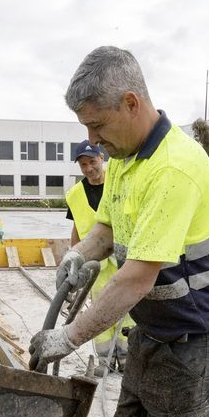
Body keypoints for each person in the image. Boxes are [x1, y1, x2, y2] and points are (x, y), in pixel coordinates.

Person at [29, 46, 209, 417]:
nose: (92, 141)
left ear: (131, 102)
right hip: (151, 333)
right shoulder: (124, 161)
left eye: (98, 126)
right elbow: (107, 229)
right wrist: (80, 254)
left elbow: (137, 276)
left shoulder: (176, 169)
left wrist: (70, 337)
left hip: (195, 341)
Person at [64, 140, 131, 372]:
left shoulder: (120, 181)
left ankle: (126, 358)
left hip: (124, 258)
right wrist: (73, 258)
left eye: (92, 162)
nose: (89, 168)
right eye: (83, 164)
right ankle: (104, 360)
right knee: (100, 308)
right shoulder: (74, 195)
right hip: (96, 266)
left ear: (101, 158)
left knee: (129, 309)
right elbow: (76, 230)